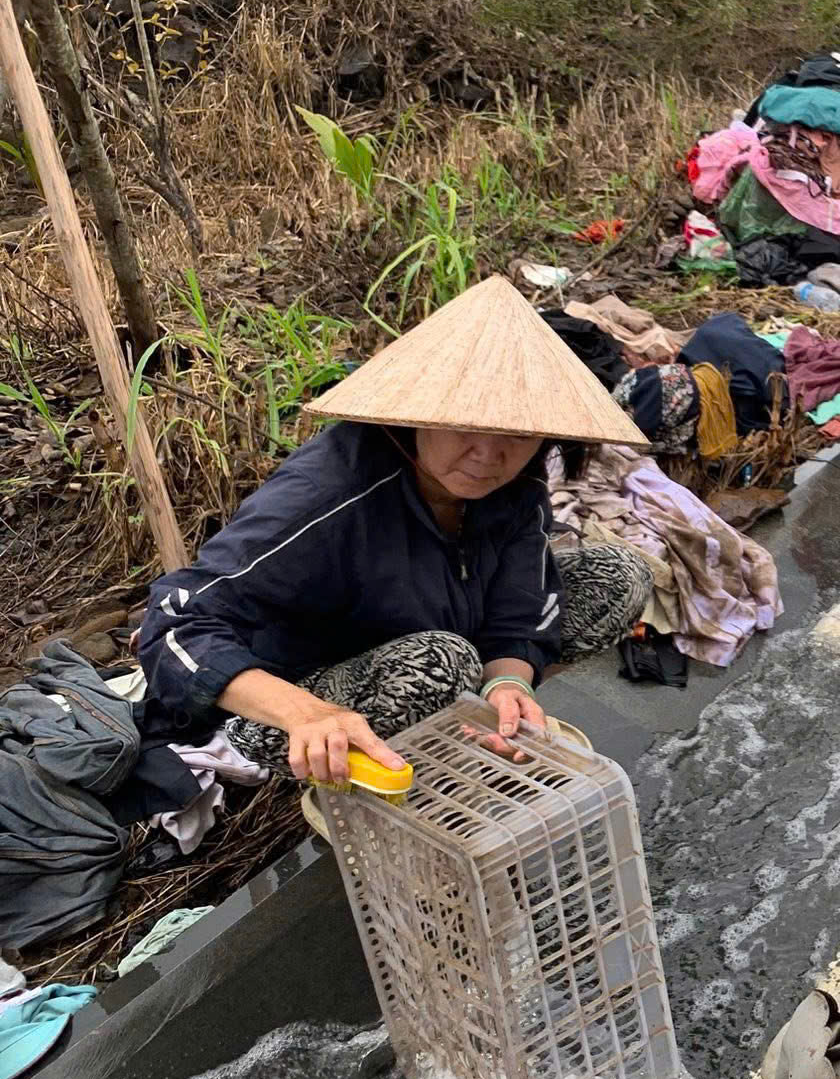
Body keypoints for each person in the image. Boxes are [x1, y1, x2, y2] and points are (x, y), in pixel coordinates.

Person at [137, 277, 656, 785]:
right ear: (420, 413)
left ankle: (471, 716)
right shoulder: (329, 493)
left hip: (431, 631)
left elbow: (523, 594)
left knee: (619, 574)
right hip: (295, 697)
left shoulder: (516, 481)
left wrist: (508, 680)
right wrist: (305, 713)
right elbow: (175, 622)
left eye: (517, 435)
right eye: (467, 426)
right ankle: (302, 756)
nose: (488, 455)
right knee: (441, 663)